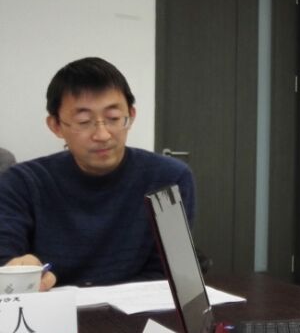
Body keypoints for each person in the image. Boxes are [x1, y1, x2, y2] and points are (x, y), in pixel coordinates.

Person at [0, 57, 195, 288]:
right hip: (55, 306)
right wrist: (19, 273)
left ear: (131, 116)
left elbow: (168, 274)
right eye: (84, 121)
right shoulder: (22, 183)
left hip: (137, 307)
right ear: (56, 126)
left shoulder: (168, 178)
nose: (102, 135)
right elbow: (6, 262)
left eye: (114, 119)